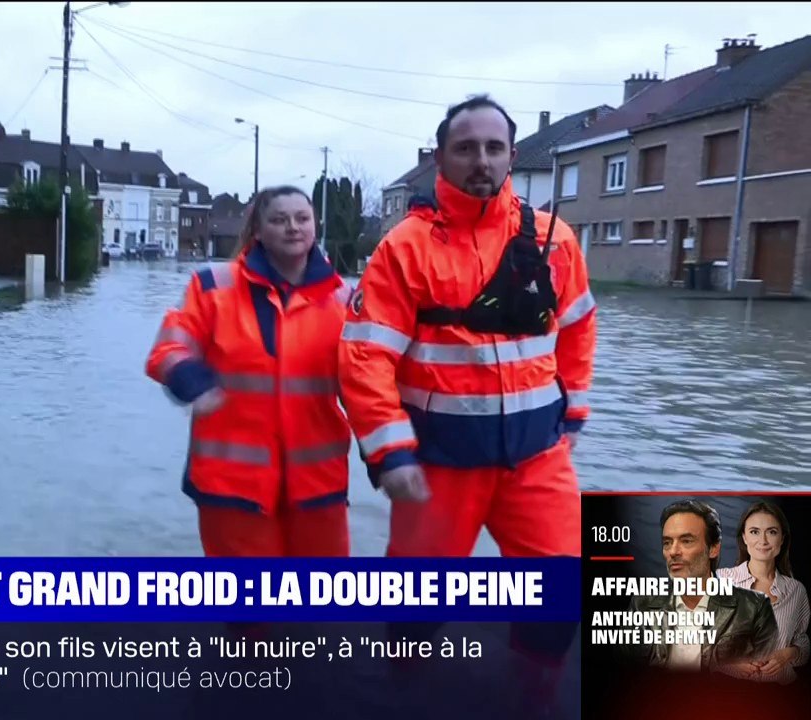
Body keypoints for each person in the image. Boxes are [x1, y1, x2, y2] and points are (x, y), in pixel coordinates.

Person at [337, 94, 596, 708]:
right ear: (439, 159)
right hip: (436, 466)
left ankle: (532, 699)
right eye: (466, 148)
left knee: (558, 597)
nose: (481, 160)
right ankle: (405, 696)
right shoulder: (405, 248)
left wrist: (575, 412)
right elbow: (364, 358)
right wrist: (390, 452)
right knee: (415, 611)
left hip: (537, 458)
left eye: (494, 147)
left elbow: (580, 325)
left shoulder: (556, 239)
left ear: (510, 154)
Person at [146, 185, 354, 558]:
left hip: (318, 487)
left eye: (302, 218)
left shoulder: (342, 299)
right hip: (231, 488)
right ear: (257, 231)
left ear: (315, 226)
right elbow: (168, 348)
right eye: (279, 220)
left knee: (323, 605)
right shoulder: (212, 286)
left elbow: (368, 380)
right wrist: (194, 382)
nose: (293, 227)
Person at [627, 500, 780, 673]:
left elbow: (767, 683)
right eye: (667, 542)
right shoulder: (642, 605)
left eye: (686, 541)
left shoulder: (755, 608)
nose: (673, 551)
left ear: (713, 549)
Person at [715, 501, 809, 684]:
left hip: (782, 697)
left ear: (782, 538)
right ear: (744, 537)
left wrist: (788, 654)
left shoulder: (796, 590)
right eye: (754, 531)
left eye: (772, 532)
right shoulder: (720, 581)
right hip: (730, 697)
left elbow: (803, 644)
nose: (763, 541)